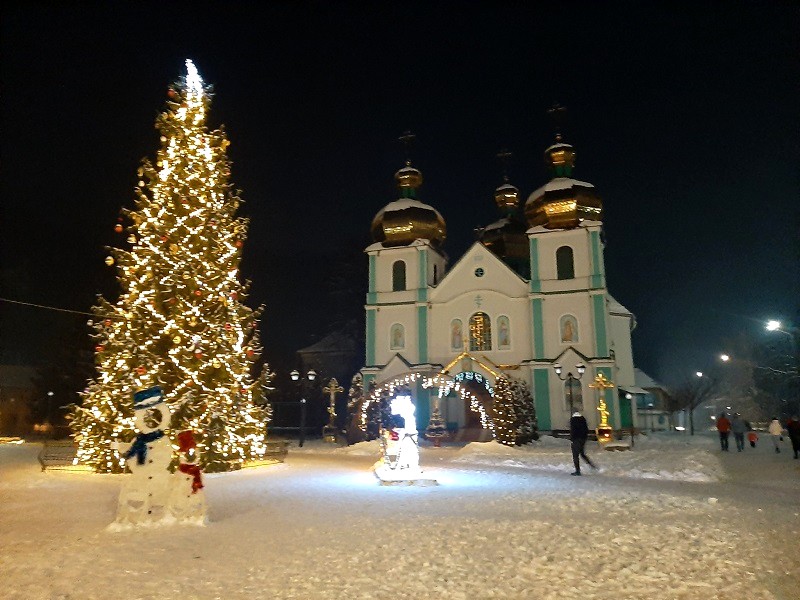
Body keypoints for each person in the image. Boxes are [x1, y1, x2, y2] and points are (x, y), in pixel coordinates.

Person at [569, 411, 596, 475]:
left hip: (576, 439)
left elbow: (573, 431)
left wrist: (572, 438)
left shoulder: (573, 420)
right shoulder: (583, 420)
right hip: (583, 439)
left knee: (575, 455)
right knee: (582, 454)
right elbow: (586, 430)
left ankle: (577, 471)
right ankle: (592, 465)